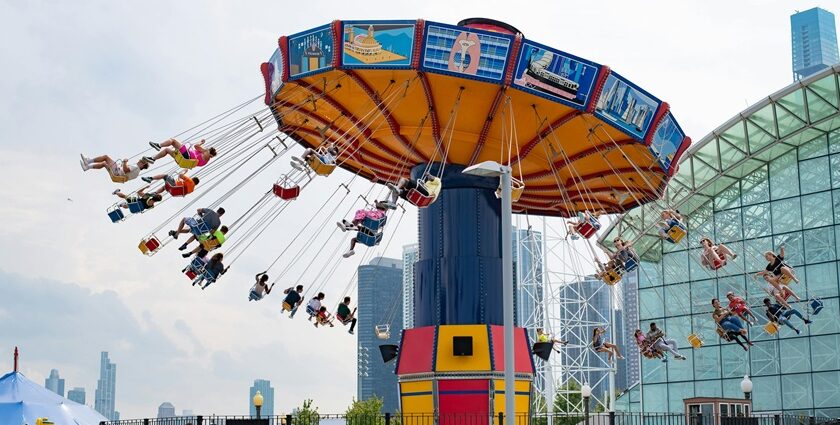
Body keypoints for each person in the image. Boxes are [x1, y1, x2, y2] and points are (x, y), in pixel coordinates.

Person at [145, 139, 217, 168]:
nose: (207, 149)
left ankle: (159, 146)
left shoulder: (204, 152)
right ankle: (153, 159)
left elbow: (196, 146)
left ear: (209, 152)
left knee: (173, 141)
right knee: (167, 150)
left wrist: (201, 142)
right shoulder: (205, 162)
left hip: (186, 154)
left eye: (208, 150)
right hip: (183, 161)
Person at [80, 154, 150, 181]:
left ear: (142, 165)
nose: (139, 161)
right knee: (104, 164)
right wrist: (123, 164)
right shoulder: (137, 173)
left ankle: (88, 161)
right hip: (117, 175)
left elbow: (126, 170)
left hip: (117, 172)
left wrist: (125, 162)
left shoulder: (136, 167)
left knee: (105, 157)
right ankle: (87, 167)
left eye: (141, 161)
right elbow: (127, 173)